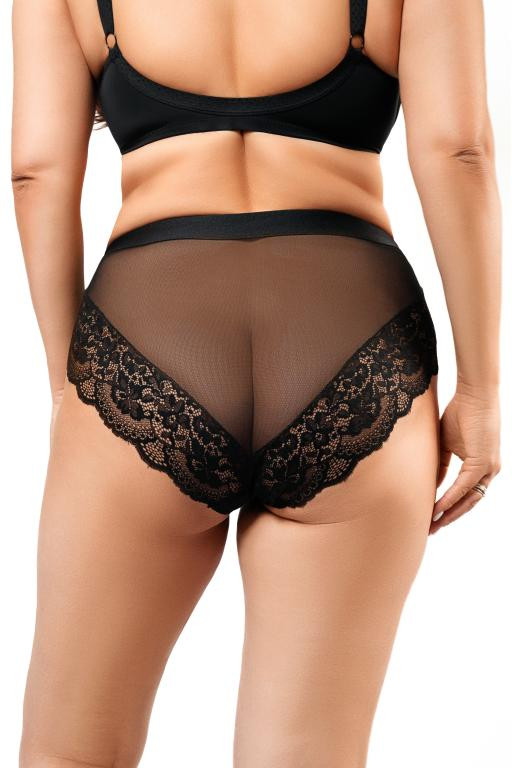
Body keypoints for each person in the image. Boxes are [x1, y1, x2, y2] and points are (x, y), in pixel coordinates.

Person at [11, 0, 501, 766]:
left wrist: (70, 384)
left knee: (68, 754)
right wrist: (480, 390)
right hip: (352, 335)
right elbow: (458, 150)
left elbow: (36, 173)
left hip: (148, 330)